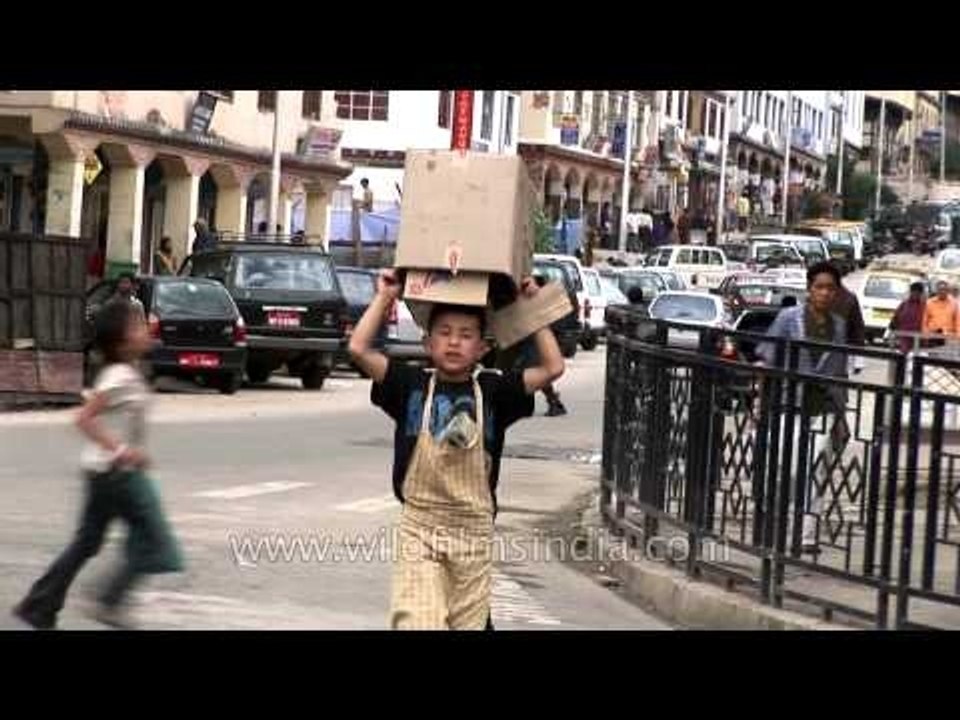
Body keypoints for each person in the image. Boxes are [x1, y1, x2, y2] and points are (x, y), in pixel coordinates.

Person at [348, 270, 565, 630]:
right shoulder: (409, 385)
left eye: (466, 335)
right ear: (428, 343)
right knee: (418, 621)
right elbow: (358, 348)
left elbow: (553, 367)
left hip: (473, 533)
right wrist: (386, 297)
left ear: (482, 348)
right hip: (420, 527)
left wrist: (534, 309)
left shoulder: (495, 391)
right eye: (444, 333)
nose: (454, 343)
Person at [12, 301, 183, 630]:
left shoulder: (127, 372)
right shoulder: (119, 376)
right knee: (156, 541)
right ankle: (108, 600)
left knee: (87, 542)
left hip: (104, 472)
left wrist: (132, 451)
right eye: (138, 325)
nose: (147, 326)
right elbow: (84, 417)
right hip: (116, 475)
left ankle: (39, 606)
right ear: (121, 341)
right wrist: (122, 451)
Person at [757, 261, 849, 553]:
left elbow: (839, 370)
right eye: (819, 287)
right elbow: (767, 357)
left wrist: (842, 412)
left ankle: (807, 535)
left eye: (830, 288)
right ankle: (775, 526)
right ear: (809, 289)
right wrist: (760, 399)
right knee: (788, 467)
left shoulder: (839, 326)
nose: (824, 293)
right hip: (789, 402)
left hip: (823, 407)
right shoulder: (788, 318)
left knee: (815, 467)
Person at [890, 281, 926, 353]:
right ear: (911, 292)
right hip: (904, 337)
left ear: (921, 293)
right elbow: (895, 318)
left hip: (919, 339)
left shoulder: (925, 306)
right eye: (914, 291)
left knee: (916, 359)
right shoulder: (904, 304)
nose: (915, 294)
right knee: (903, 356)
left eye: (918, 292)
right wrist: (894, 327)